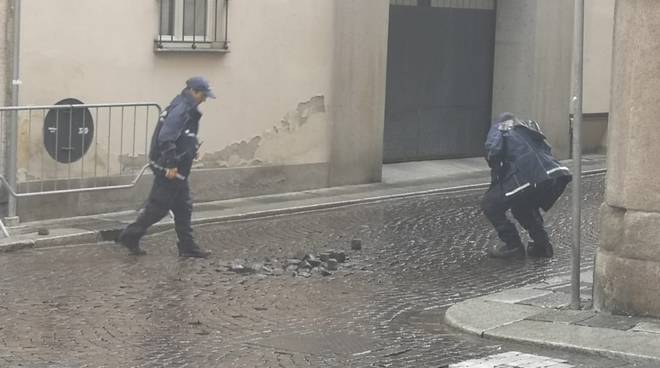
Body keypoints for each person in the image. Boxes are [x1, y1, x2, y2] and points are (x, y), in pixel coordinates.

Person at [117, 77, 215, 258]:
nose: (204, 99)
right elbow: (166, 138)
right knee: (158, 208)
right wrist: (171, 164)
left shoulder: (182, 106)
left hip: (176, 167)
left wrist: (190, 149)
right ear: (193, 91)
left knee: (183, 207)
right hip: (170, 168)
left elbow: (181, 136)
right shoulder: (182, 109)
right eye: (203, 95)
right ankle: (130, 235)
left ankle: (187, 246)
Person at [481, 112, 572, 259]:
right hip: (553, 174)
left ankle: (513, 246)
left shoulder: (500, 127)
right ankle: (542, 245)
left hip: (526, 174)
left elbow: (494, 150)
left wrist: (495, 182)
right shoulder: (527, 126)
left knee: (489, 204)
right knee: (522, 204)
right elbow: (546, 147)